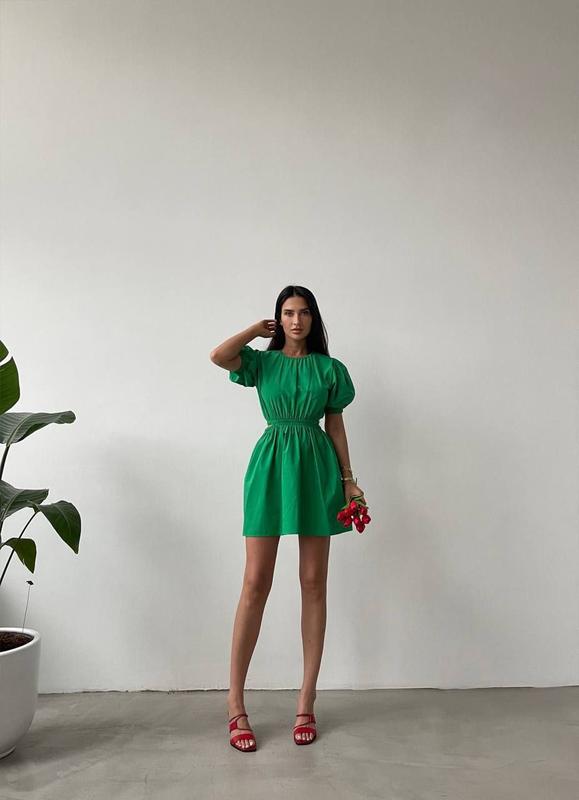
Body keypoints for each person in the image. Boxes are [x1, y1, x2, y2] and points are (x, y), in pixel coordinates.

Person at [210, 285, 366, 752]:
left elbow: (335, 424)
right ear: (279, 318)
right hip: (271, 465)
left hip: (316, 468)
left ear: (314, 319)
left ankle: (306, 699)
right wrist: (254, 331)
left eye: (304, 312)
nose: (296, 320)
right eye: (288, 312)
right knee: (255, 581)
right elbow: (219, 356)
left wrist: (349, 480)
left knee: (314, 582)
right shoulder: (262, 363)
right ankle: (235, 703)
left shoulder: (329, 370)